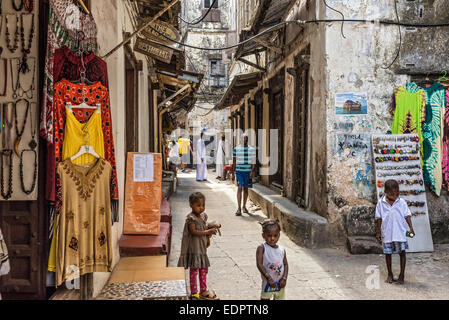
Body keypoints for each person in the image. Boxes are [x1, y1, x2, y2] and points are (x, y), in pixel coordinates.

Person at [178, 192, 219, 300]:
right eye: (198, 205)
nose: (201, 208)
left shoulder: (203, 216)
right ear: (191, 205)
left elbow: (203, 226)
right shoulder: (191, 218)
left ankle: (203, 290)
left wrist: (210, 227)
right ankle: (194, 293)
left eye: (203, 205)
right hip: (194, 249)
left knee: (203, 270)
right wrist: (207, 231)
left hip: (202, 248)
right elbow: (194, 231)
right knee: (194, 270)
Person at [376, 179, 415, 285]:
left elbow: (407, 215)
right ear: (386, 192)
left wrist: (411, 227)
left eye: (397, 193)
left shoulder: (401, 202)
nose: (396, 196)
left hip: (400, 232)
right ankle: (390, 274)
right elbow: (379, 218)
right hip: (387, 233)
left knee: (402, 253)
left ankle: (402, 275)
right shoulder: (381, 203)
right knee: (388, 254)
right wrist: (378, 232)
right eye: (393, 194)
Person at [256, 219, 288, 300]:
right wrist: (269, 278)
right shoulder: (262, 248)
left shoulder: (282, 249)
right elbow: (259, 264)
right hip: (268, 283)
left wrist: (284, 278)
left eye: (275, 235)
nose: (272, 238)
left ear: (279, 235)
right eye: (269, 235)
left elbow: (285, 264)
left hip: (280, 283)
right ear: (263, 235)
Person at [232, 134, 256, 215]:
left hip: (248, 172)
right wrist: (233, 173)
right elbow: (234, 161)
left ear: (247, 140)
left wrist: (252, 171)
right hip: (239, 172)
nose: (244, 140)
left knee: (246, 189)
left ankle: (244, 206)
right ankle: (238, 208)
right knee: (239, 188)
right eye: (243, 139)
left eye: (246, 139)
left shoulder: (251, 149)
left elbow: (253, 161)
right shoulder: (236, 149)